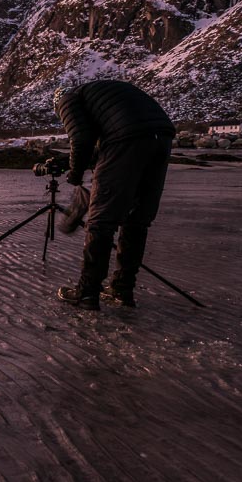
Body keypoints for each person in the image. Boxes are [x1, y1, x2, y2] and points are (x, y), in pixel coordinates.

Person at [53, 80, 175, 310]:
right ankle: (122, 288)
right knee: (137, 219)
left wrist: (75, 174)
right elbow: (103, 142)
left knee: (101, 220)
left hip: (128, 138)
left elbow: (81, 139)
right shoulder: (100, 96)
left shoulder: (66, 99)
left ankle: (87, 292)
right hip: (161, 136)